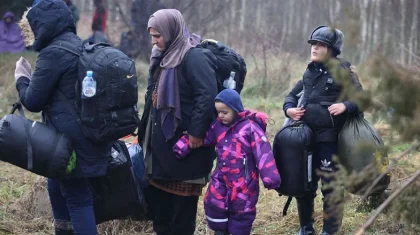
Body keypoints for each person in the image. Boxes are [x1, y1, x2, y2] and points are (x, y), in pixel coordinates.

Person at [14, 0, 111, 234]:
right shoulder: (79, 45)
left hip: (70, 141)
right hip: (86, 134)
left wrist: (21, 78)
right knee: (56, 187)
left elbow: (33, 101)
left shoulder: (53, 53)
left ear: (42, 25)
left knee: (78, 197)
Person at [138, 9, 218, 235]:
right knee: (161, 216)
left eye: (158, 36)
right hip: (162, 153)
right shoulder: (161, 57)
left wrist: (195, 132)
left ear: (172, 32)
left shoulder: (193, 57)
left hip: (185, 152)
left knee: (181, 218)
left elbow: (207, 95)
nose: (154, 41)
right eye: (152, 36)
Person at [283, 26, 363, 235]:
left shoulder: (343, 71)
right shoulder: (310, 71)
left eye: (321, 45)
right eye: (313, 44)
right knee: (304, 184)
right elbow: (291, 95)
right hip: (305, 139)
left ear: (332, 49)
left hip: (331, 140)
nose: (315, 48)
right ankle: (306, 228)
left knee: (331, 187)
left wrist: (346, 106)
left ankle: (330, 231)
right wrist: (289, 110)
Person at [173, 89, 282, 235]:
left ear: (236, 109)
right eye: (218, 112)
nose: (220, 115)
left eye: (225, 112)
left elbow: (264, 153)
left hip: (244, 182)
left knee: (241, 211)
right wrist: (183, 144)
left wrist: (271, 178)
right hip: (221, 177)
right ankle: (220, 231)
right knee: (213, 202)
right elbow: (202, 137)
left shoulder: (250, 128)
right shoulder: (218, 127)